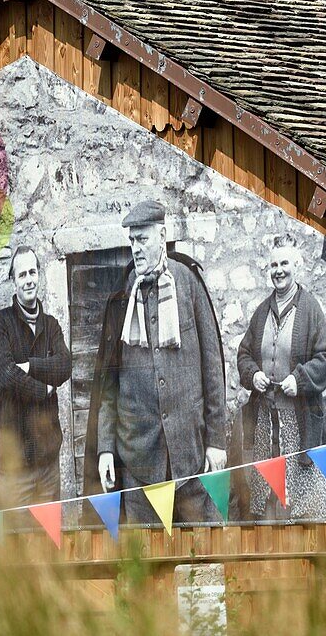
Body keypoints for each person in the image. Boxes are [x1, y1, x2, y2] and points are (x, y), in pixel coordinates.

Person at [94, 200, 227, 525]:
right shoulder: (122, 297)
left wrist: (216, 441)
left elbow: (212, 367)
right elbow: (108, 384)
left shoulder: (189, 285)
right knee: (148, 563)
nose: (136, 248)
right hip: (139, 458)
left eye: (143, 239)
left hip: (191, 455)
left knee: (203, 554)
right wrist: (106, 448)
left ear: (162, 235)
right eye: (132, 241)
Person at [237, 237, 326, 520]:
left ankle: (300, 541)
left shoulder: (310, 310)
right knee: (267, 484)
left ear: (297, 266)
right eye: (273, 265)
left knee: (298, 494)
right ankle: (270, 538)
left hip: (298, 417)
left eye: (284, 264)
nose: (278, 270)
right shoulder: (261, 312)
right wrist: (253, 374)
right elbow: (244, 354)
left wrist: (300, 379)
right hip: (265, 420)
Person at [0, 245, 72, 506]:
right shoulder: (0, 323)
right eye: (22, 274)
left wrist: (30, 366)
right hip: (16, 464)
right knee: (17, 543)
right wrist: (44, 390)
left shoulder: (52, 325)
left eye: (32, 272)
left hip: (48, 461)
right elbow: (6, 375)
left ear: (39, 275)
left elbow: (65, 366)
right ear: (14, 280)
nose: (28, 280)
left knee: (49, 541)